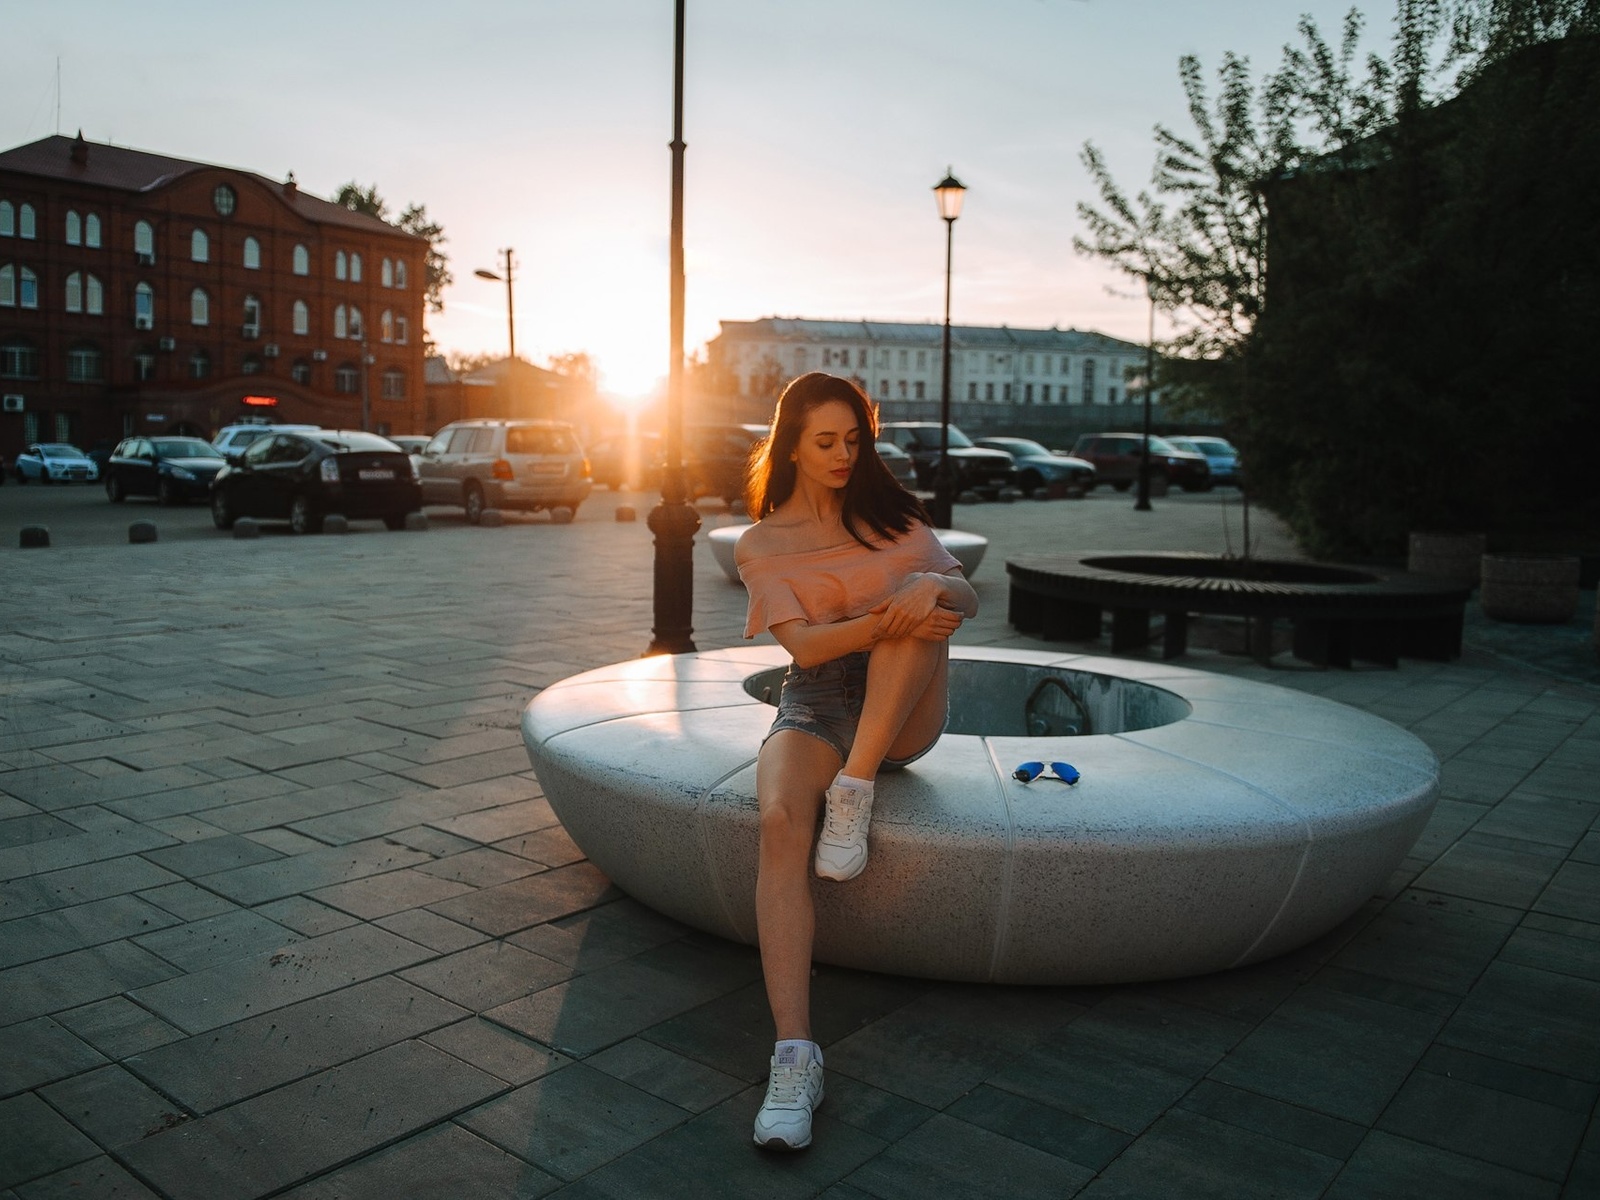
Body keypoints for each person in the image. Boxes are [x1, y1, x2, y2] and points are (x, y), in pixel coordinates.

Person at [736, 372, 979, 1150]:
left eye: (855, 439)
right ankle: (795, 1056)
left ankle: (857, 787)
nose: (845, 455)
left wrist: (928, 586)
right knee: (777, 821)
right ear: (793, 447)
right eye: (827, 442)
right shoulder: (762, 541)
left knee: (924, 604)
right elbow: (802, 648)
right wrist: (891, 610)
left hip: (902, 711)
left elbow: (965, 598)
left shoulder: (894, 514)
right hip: (813, 699)